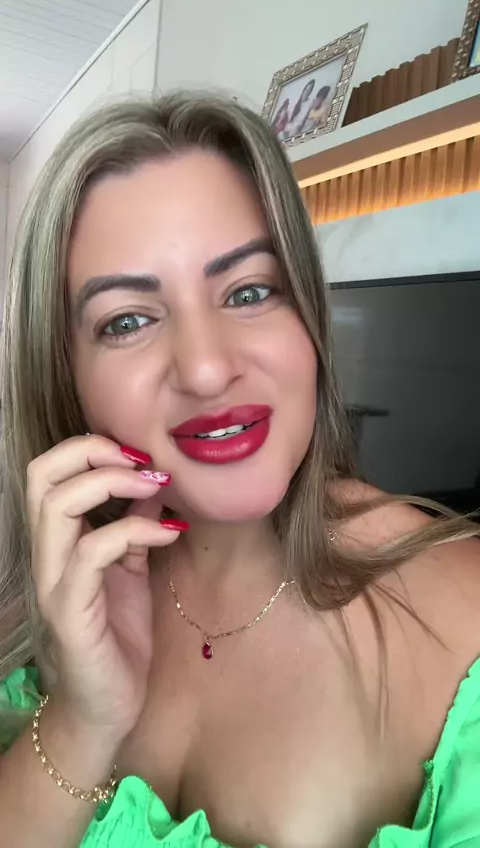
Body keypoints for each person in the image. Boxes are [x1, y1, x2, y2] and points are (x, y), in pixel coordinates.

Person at [0, 92, 479, 848]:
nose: (205, 368)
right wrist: (81, 722)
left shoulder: (461, 612)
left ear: (308, 316)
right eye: (128, 320)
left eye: (249, 292)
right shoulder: (36, 605)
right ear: (67, 375)